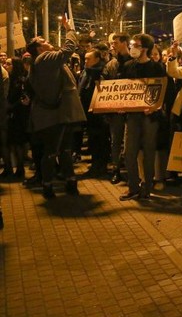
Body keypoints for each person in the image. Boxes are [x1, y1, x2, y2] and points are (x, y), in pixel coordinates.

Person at [26, 26, 87, 199]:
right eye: (43, 41)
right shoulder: (45, 58)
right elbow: (68, 50)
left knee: (64, 150)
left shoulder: (40, 62)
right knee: (52, 151)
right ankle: (49, 186)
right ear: (39, 48)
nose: (48, 42)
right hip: (54, 116)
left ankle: (69, 182)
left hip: (58, 114)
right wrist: (69, 30)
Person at [119, 34, 166, 201]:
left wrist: (154, 107)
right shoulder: (127, 66)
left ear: (145, 49)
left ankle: (147, 187)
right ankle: (133, 187)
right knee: (129, 152)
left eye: (136, 45)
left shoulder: (157, 68)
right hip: (132, 116)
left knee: (148, 152)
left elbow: (163, 92)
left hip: (149, 117)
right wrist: (120, 104)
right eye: (132, 44)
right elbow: (122, 89)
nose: (132, 47)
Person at [103, 32, 133, 184]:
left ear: (124, 42)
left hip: (132, 111)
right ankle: (116, 170)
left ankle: (131, 170)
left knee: (129, 143)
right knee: (115, 141)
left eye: (115, 42)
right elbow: (104, 87)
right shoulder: (110, 65)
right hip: (115, 111)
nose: (112, 45)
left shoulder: (135, 62)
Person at [79, 49, 109, 177]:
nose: (85, 61)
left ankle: (100, 166)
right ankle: (96, 165)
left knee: (99, 140)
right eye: (85, 59)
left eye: (88, 59)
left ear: (97, 59)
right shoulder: (87, 72)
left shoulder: (100, 72)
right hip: (88, 112)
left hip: (98, 113)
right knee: (93, 140)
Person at [5, 57, 30, 179]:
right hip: (14, 115)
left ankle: (20, 169)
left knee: (18, 142)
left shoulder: (20, 81)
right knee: (13, 143)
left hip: (19, 116)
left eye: (9, 64)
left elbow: (22, 99)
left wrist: (10, 106)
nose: (6, 65)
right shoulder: (12, 79)